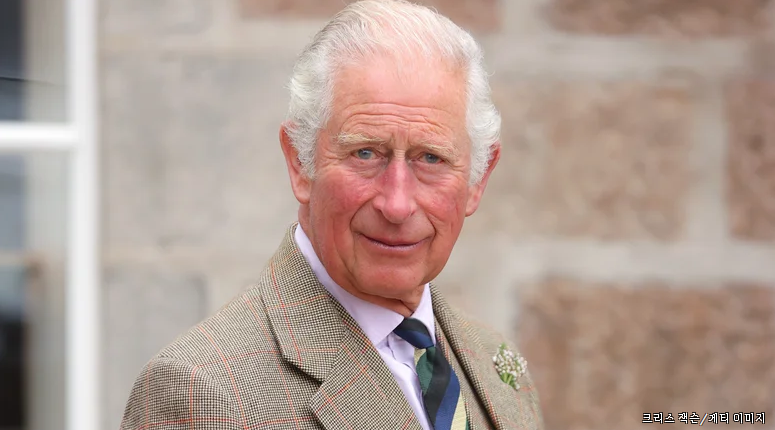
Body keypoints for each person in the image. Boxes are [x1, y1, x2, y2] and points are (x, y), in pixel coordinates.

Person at [120, 0, 543, 429]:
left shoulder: (495, 364)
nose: (397, 204)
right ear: (300, 162)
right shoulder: (203, 392)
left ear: (476, 180)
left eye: (430, 158)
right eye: (366, 153)